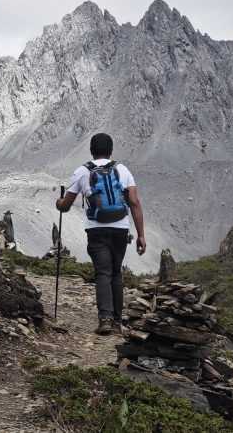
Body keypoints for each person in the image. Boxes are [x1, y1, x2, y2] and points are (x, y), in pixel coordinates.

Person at [55, 133, 146, 335]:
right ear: (111, 150)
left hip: (96, 229)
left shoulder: (82, 171)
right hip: (121, 228)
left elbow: (66, 206)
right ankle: (117, 321)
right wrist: (141, 235)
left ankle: (104, 319)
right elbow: (134, 203)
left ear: (91, 151)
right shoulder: (123, 170)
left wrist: (58, 203)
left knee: (102, 272)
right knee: (116, 272)